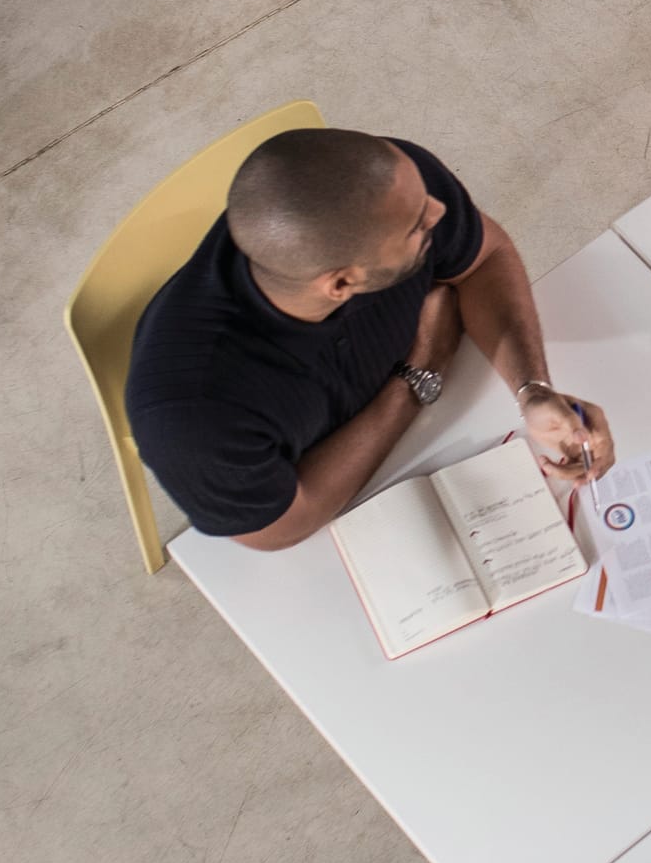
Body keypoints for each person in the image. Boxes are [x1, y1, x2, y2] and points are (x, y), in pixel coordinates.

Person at [126, 128, 617, 551]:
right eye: (416, 227)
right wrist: (422, 371)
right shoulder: (192, 415)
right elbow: (279, 528)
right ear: (341, 284)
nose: (438, 212)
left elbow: (485, 258)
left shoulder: (395, 185)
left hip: (433, 437)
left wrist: (532, 389)